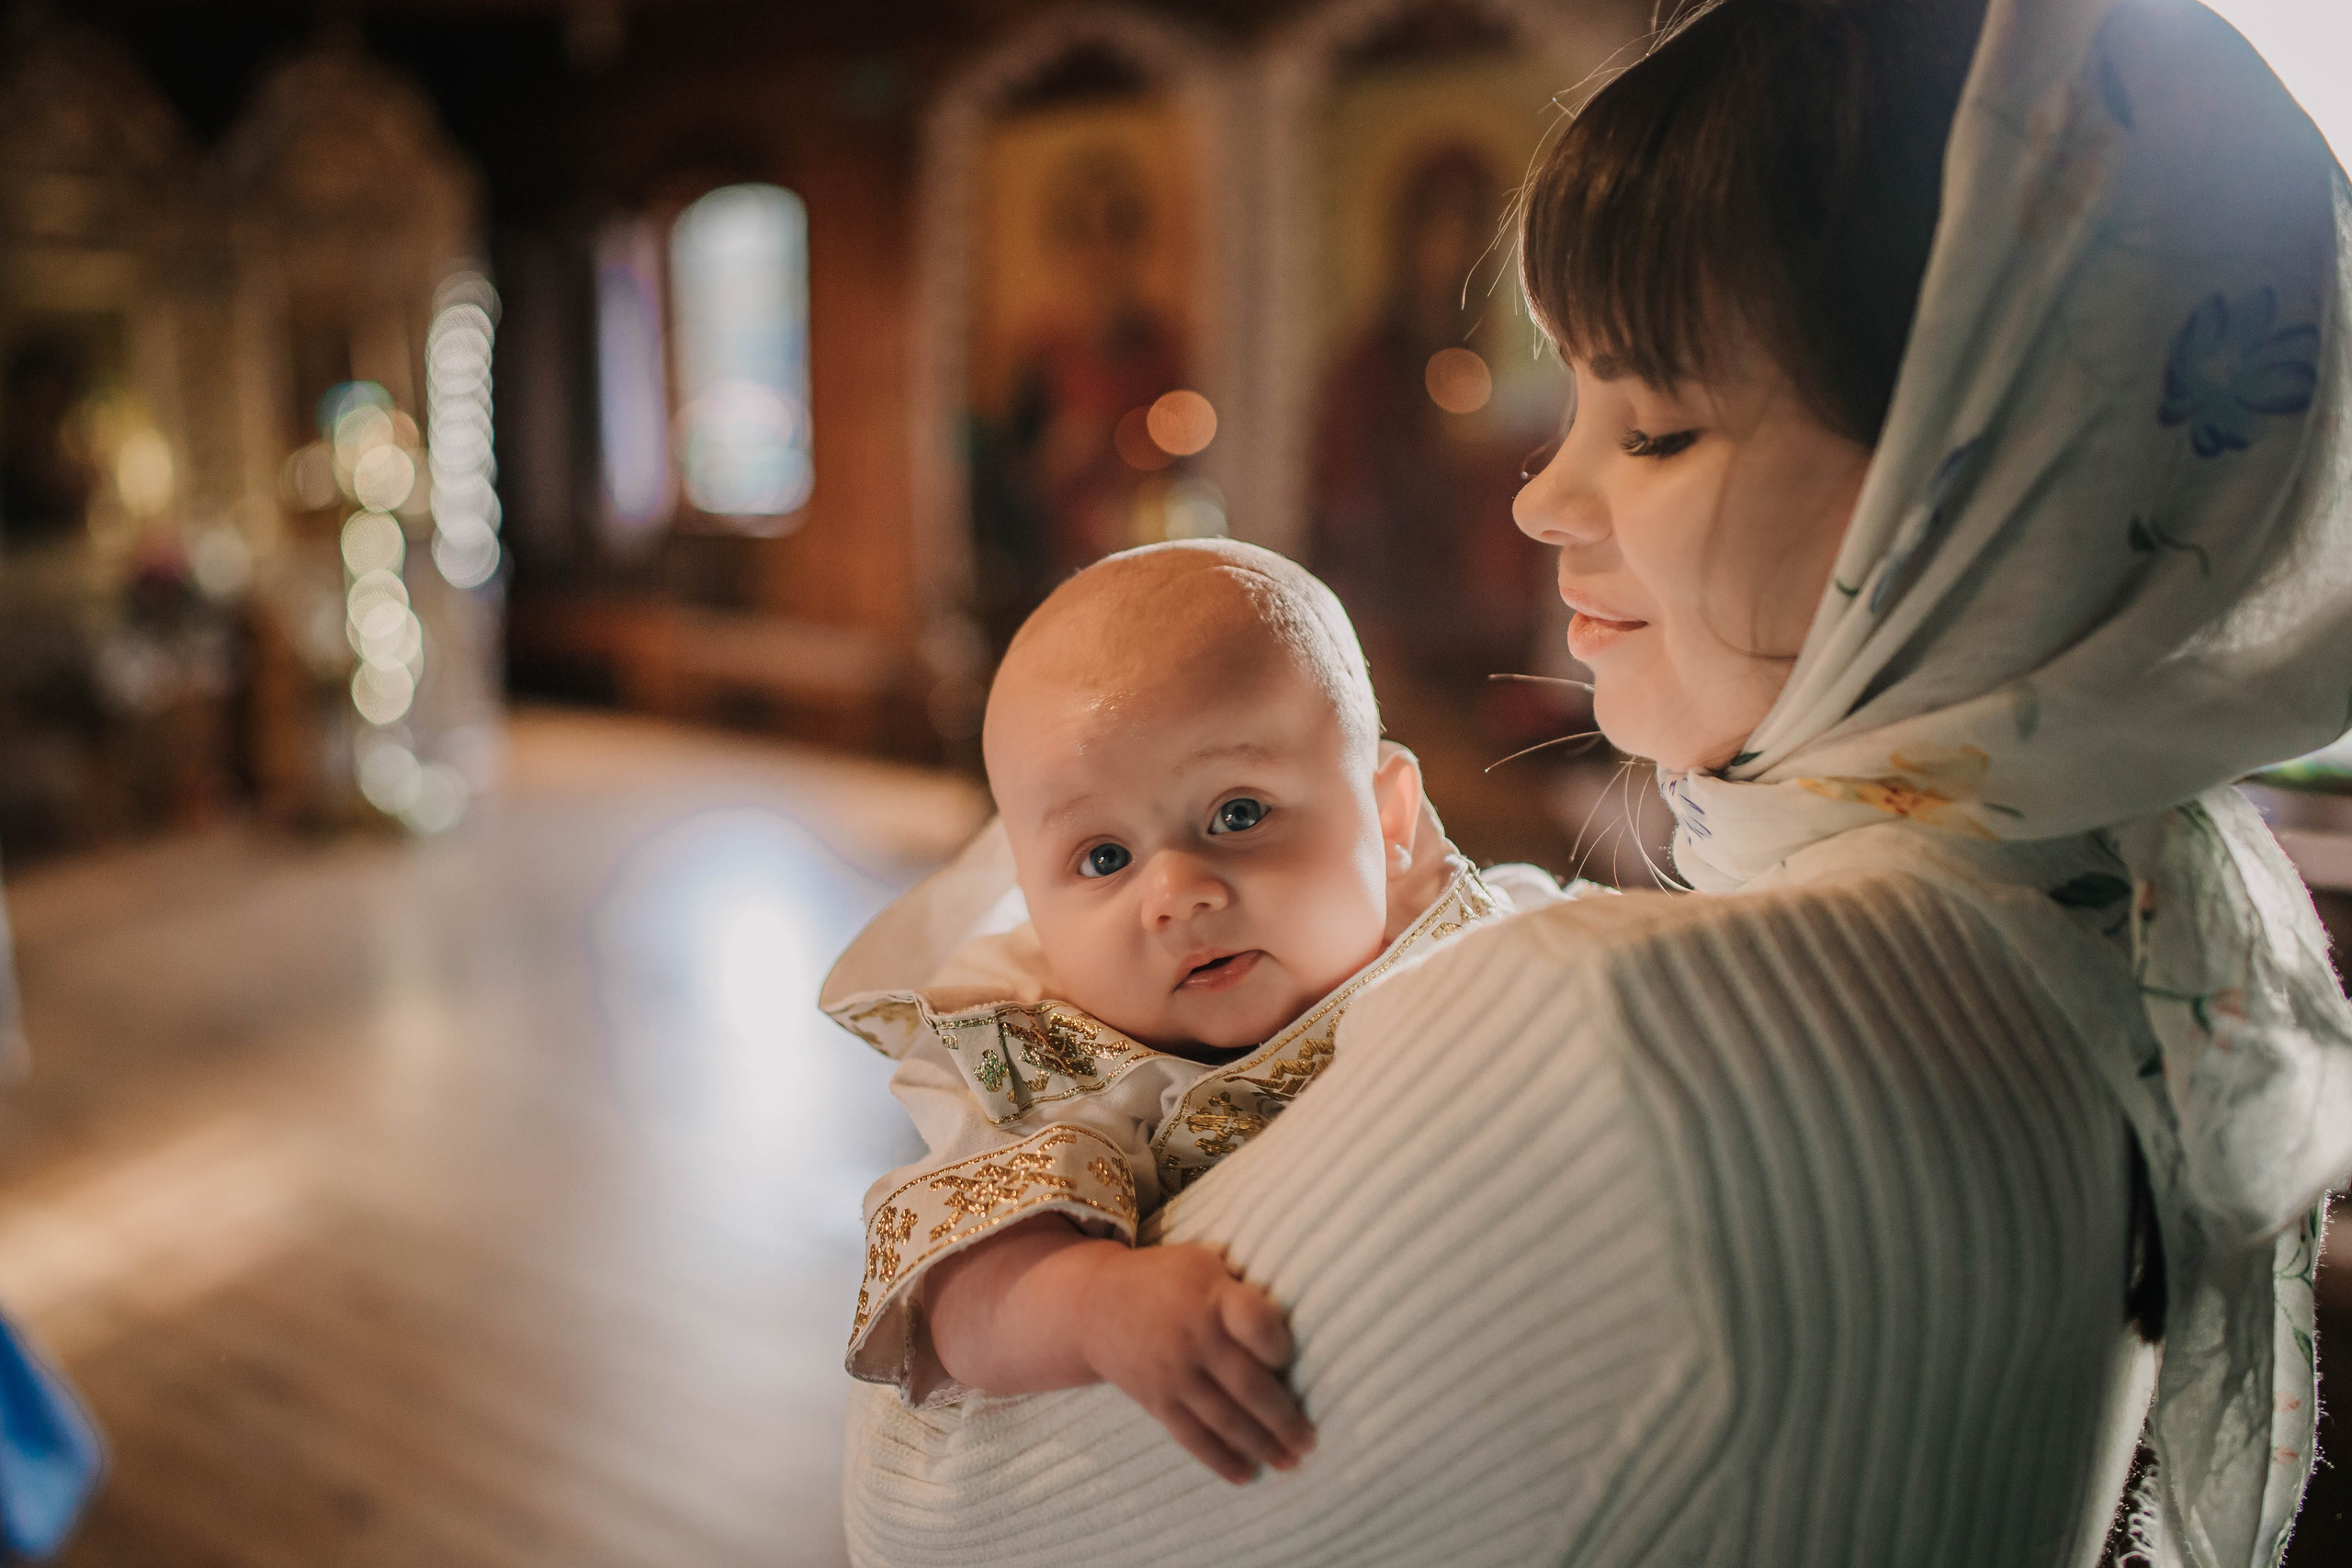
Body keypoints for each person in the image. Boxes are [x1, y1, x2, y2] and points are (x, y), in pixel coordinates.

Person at [840, 2, 2352, 1564]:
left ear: (1987, 468)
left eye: (1661, 423)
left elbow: (932, 1504)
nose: (1546, 495)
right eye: (1572, 401)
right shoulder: (2131, 932)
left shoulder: (1628, 1039)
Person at [822, 540, 1575, 1480]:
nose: (1176, 892)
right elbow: (962, 1291)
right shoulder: (1064, 1063)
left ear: (1388, 823)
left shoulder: (1484, 926)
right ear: (1034, 902)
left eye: (1237, 814)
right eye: (1103, 858)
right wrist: (1095, 1304)